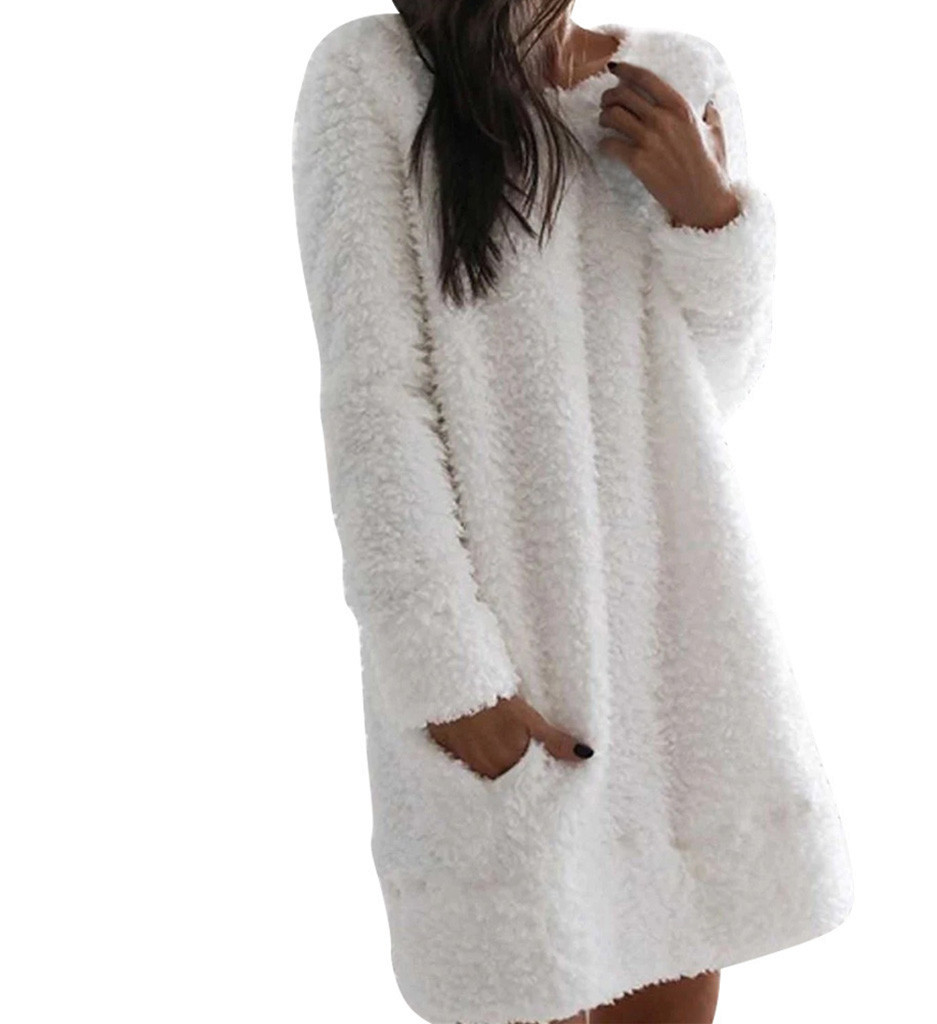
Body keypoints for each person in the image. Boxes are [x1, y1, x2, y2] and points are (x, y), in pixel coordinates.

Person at [291, 3, 854, 1022]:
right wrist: (452, 683)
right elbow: (375, 401)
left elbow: (712, 389)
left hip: (673, 672)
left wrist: (707, 213)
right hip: (509, 664)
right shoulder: (372, 76)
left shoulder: (676, 78)